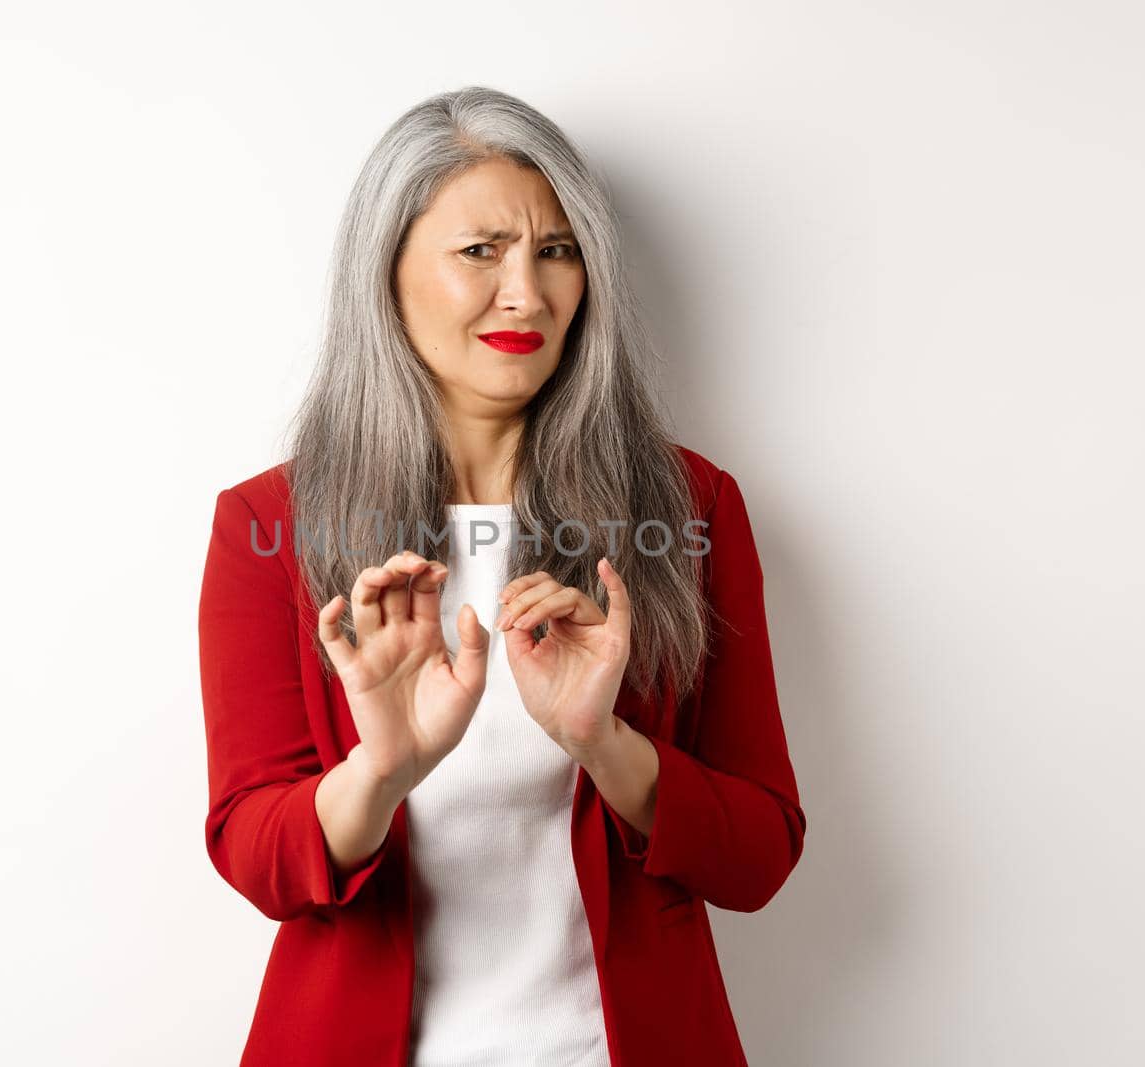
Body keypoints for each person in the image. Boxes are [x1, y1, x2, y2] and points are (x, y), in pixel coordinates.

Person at [197, 85, 807, 1067]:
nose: (525, 292)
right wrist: (380, 768)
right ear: (387, 271)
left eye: (555, 250)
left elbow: (759, 852)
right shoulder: (272, 525)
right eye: (480, 250)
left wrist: (604, 741)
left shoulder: (689, 510)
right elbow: (254, 852)